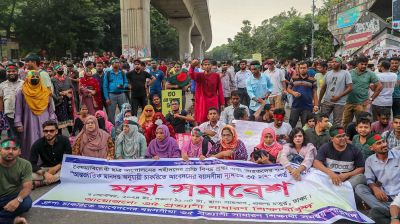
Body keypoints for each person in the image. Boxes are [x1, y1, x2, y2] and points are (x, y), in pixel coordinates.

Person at [354, 134, 400, 223]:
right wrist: (375, 188)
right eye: (379, 143)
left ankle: (387, 213)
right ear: (372, 148)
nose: (383, 144)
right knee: (359, 188)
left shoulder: (398, 155)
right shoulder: (370, 160)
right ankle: (390, 211)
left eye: (383, 141)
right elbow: (369, 179)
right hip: (385, 197)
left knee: (374, 214)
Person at [15, 72, 56, 159]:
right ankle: (32, 162)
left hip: (45, 121)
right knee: (31, 141)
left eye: (37, 76)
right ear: (28, 78)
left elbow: (50, 109)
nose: (35, 78)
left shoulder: (46, 91)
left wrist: (52, 119)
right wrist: (18, 123)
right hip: (29, 122)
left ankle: (46, 160)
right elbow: (18, 110)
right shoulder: (21, 92)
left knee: (46, 140)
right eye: (33, 76)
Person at [343, 56, 382, 129]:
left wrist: (371, 99)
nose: (364, 66)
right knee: (345, 123)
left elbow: (379, 86)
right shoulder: (350, 73)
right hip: (348, 102)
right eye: (362, 64)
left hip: (362, 103)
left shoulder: (370, 73)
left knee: (361, 123)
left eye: (365, 64)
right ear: (357, 64)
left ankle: (360, 138)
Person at [29, 120, 71, 188]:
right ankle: (52, 179)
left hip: (61, 167)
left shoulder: (64, 140)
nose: (48, 133)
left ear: (56, 131)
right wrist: (44, 173)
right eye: (46, 131)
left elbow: (68, 157)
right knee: (28, 175)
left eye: (51, 131)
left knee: (67, 172)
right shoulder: (37, 144)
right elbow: (32, 164)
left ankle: (41, 183)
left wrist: (56, 167)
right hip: (46, 169)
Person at [0, 139, 32, 224]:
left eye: (14, 149)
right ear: (0, 150)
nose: (10, 151)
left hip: (12, 196)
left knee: (26, 203)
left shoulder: (25, 164)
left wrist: (17, 200)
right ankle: (12, 220)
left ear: (19, 152)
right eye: (7, 148)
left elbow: (27, 187)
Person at [319, 57, 353, 126]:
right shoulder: (328, 73)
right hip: (327, 101)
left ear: (340, 63)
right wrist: (319, 101)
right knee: (322, 120)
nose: (333, 63)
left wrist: (338, 96)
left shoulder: (346, 73)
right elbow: (323, 88)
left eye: (336, 62)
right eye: (332, 62)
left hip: (339, 103)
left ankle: (335, 136)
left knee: (337, 123)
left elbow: (350, 88)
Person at [287, 61, 319, 128]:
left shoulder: (313, 80)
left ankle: (305, 138)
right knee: (291, 125)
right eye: (301, 68)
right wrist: (293, 93)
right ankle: (291, 138)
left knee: (306, 126)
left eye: (304, 68)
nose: (302, 69)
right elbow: (288, 89)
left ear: (307, 68)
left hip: (307, 106)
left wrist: (316, 105)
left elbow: (315, 93)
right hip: (295, 105)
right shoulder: (294, 78)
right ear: (298, 69)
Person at [0, 63, 24, 139]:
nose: (11, 73)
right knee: (12, 136)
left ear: (17, 72)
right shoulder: (2, 85)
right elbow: (1, 99)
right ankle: (13, 150)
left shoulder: (24, 84)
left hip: (22, 114)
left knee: (22, 135)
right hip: (8, 114)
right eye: (9, 71)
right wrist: (2, 114)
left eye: (13, 71)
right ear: (6, 73)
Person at [103, 58, 129, 124]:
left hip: (121, 94)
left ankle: (125, 125)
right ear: (112, 64)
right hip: (111, 95)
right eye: (114, 62)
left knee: (124, 111)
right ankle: (111, 128)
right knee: (111, 113)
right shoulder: (108, 73)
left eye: (117, 62)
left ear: (119, 64)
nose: (116, 64)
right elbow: (105, 86)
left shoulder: (122, 73)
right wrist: (107, 98)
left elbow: (126, 82)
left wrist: (123, 86)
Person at [52, 64, 75, 134]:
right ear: (55, 70)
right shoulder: (53, 80)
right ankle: (59, 136)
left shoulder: (67, 78)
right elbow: (53, 91)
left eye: (62, 69)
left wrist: (66, 92)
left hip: (68, 102)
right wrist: (63, 94)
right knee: (60, 120)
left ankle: (71, 135)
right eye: (59, 69)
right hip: (59, 102)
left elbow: (72, 88)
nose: (60, 70)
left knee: (69, 119)